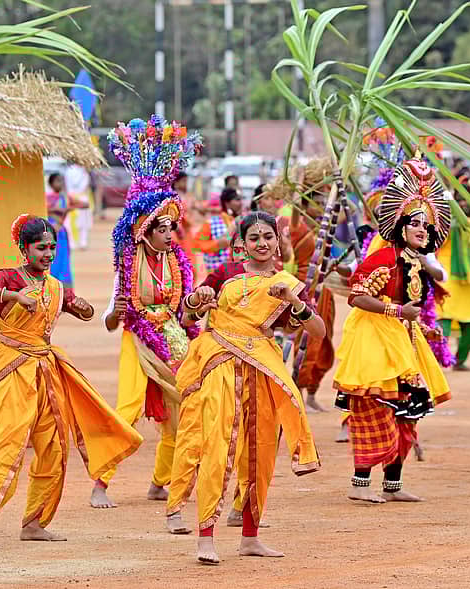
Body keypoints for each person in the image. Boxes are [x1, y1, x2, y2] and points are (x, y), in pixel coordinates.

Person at [0, 215, 143, 550]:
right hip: (12, 369)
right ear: (23, 248)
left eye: (51, 247)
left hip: (45, 371)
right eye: (40, 247)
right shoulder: (10, 278)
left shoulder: (56, 286)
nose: (47, 253)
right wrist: (11, 296)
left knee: (55, 448)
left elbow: (84, 311)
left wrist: (89, 308)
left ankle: (34, 522)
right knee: (6, 445)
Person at [166, 211, 323, 565]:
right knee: (216, 446)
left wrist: (295, 303)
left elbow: (319, 331)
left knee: (261, 451)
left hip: (262, 370)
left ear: (277, 241)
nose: (262, 243)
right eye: (254, 238)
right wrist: (196, 300)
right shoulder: (225, 275)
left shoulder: (286, 284)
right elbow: (189, 317)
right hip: (220, 365)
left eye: (268, 236)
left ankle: (250, 537)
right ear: (241, 245)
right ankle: (206, 536)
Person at [92, 117, 200, 530]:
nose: (172, 233)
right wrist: (118, 313)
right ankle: (101, 482)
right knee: (129, 408)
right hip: (137, 339)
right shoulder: (127, 264)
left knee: (180, 407)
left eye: (173, 226)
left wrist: (196, 304)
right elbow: (109, 319)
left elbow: (185, 312)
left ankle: (161, 481)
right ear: (144, 229)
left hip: (172, 337)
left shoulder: (178, 262)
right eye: (164, 227)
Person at [332, 154, 452, 503]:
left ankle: (393, 485)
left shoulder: (414, 261)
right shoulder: (383, 258)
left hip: (403, 339)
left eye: (426, 226)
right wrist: (395, 309)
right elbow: (356, 297)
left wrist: (423, 328)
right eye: (415, 223)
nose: (421, 229)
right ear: (400, 226)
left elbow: (411, 307)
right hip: (374, 338)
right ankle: (360, 485)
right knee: (377, 408)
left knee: (407, 411)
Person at [284, 158, 348, 412]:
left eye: (324, 203)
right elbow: (296, 206)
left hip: (325, 289)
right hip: (305, 290)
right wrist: (300, 180)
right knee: (306, 344)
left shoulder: (325, 230)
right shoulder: (297, 227)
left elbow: (349, 211)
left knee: (325, 343)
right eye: (318, 203)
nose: (322, 207)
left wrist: (340, 181)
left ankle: (312, 393)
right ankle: (298, 392)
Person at [437, 178, 470, 371]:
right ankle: (438, 359)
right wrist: (450, 223)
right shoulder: (444, 220)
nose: (462, 203)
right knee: (442, 319)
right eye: (458, 199)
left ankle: (459, 360)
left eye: (466, 199)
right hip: (448, 276)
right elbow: (434, 243)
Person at [45, 172, 88, 288]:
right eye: (57, 181)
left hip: (61, 232)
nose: (60, 184)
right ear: (51, 183)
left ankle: (64, 287)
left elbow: (86, 204)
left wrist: (68, 208)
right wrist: (55, 209)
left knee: (63, 261)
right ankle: (51, 285)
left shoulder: (66, 197)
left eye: (61, 181)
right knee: (51, 259)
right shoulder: (47, 197)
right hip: (49, 232)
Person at [195, 187, 242, 273]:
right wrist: (217, 244)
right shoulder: (211, 223)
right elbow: (198, 244)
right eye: (237, 200)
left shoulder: (243, 220)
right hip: (218, 274)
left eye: (241, 199)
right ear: (227, 203)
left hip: (240, 272)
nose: (241, 203)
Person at [64, 162, 94, 250]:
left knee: (81, 221)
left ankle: (80, 242)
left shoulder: (82, 170)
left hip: (78, 197)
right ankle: (77, 242)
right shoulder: (73, 170)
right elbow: (74, 185)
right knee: (75, 221)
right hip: (76, 197)